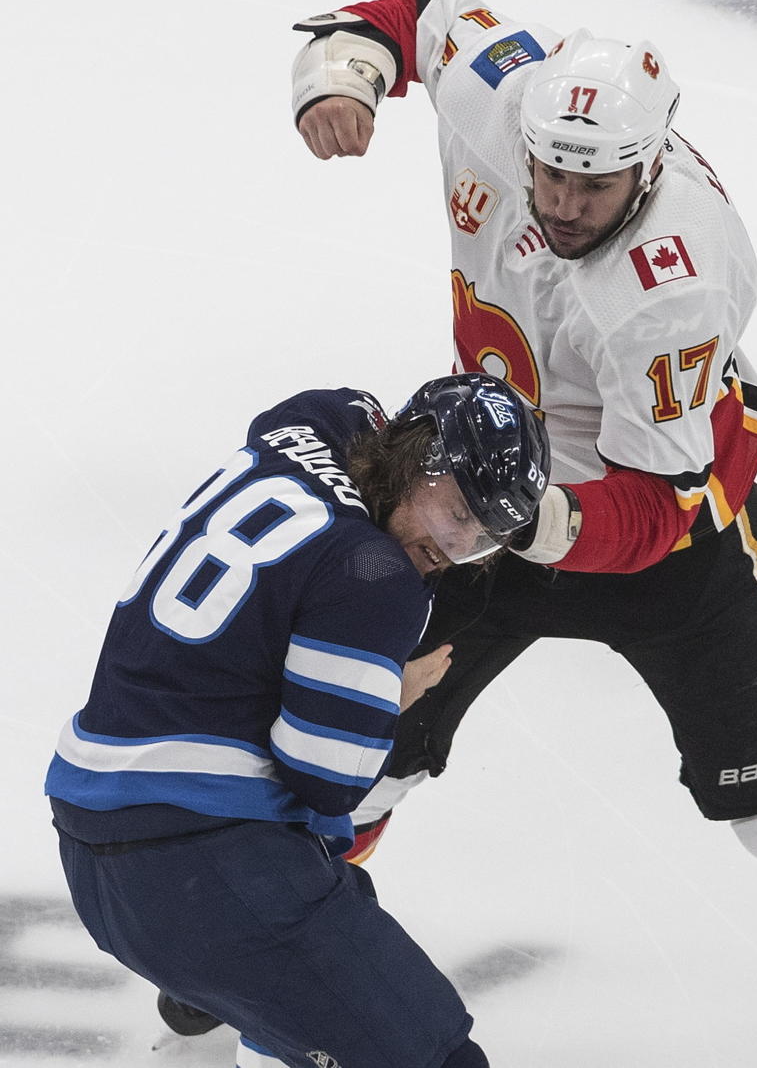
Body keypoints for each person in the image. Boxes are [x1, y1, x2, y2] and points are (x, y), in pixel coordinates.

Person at [290, 0, 757, 1061]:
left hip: (651, 523)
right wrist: (342, 76)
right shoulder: (503, 92)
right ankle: (228, 993)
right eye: (549, 172)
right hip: (476, 487)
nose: (558, 201)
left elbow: (655, 509)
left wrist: (527, 519)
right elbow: (409, 12)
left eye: (591, 189)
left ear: (648, 169)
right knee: (353, 762)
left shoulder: (678, 287)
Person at [45, 372, 550, 1068]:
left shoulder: (312, 433)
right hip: (197, 864)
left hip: (92, 838)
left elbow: (313, 412)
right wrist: (391, 692)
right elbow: (327, 779)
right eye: (457, 509)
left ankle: (217, 1013)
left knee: (338, 924)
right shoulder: (377, 579)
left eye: (481, 535)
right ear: (415, 455)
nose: (452, 545)